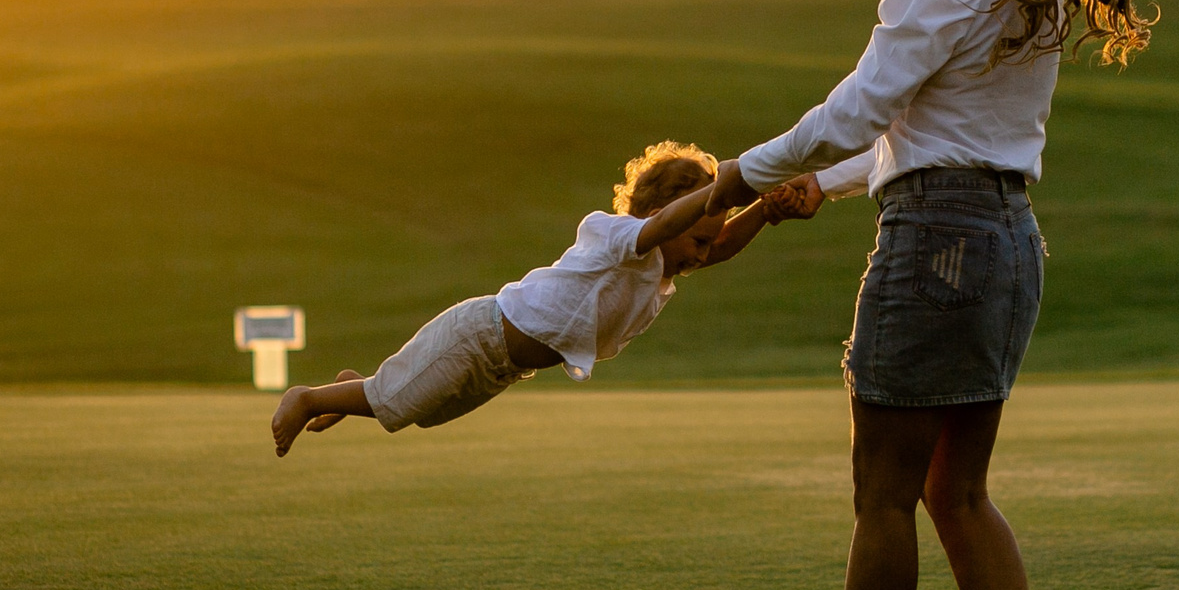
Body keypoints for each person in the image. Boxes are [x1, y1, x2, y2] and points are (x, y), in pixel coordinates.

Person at [704, 0, 1153, 590]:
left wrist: (734, 173)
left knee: (883, 490)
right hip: (1005, 239)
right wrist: (818, 182)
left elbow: (858, 108)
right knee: (958, 489)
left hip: (936, 239)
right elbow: (928, 132)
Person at [270, 142, 806, 456]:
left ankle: (359, 388)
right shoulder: (616, 236)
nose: (701, 253)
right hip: (478, 334)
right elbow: (667, 223)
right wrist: (730, 186)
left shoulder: (665, 263)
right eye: (696, 237)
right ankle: (309, 398)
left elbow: (721, 245)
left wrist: (765, 209)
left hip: (505, 367)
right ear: (657, 217)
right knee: (401, 401)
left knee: (417, 413)